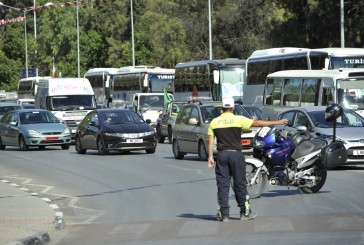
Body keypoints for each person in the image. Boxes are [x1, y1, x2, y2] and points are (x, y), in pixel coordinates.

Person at [207, 97, 288, 222]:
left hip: (222, 155)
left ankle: (224, 215)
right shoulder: (239, 119)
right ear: (233, 108)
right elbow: (259, 123)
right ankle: (244, 213)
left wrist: (210, 157)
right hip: (236, 155)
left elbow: (211, 141)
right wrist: (277, 122)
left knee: (223, 186)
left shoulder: (214, 122)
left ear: (222, 109)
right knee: (240, 184)